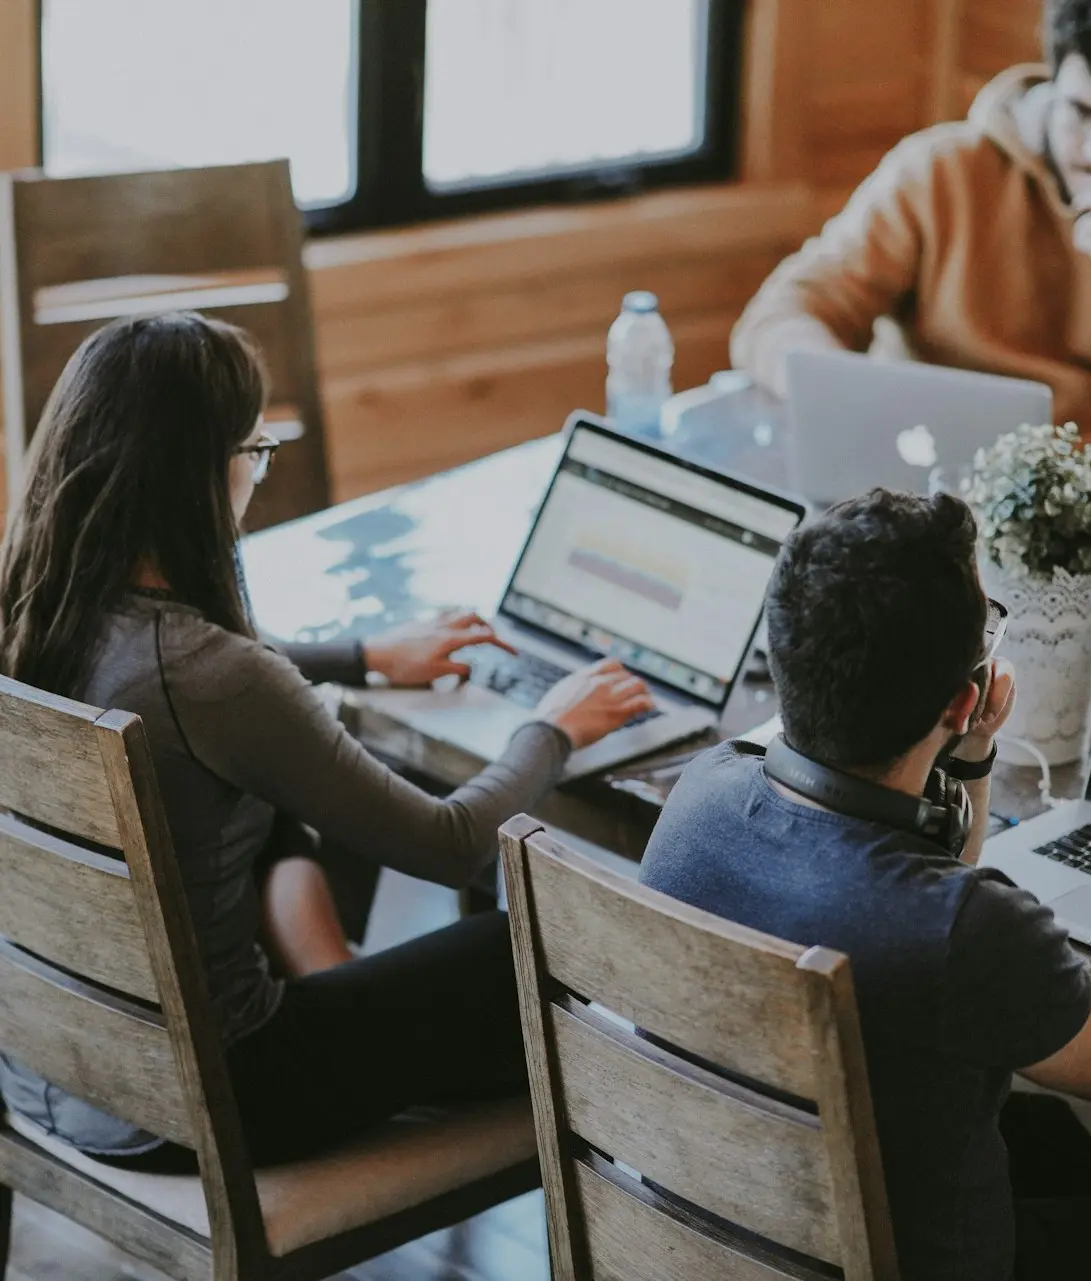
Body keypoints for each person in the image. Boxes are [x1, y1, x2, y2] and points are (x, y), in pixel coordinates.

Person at [0, 311, 654, 1171]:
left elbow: (202, 679)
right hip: (216, 1096)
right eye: (255, 450)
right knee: (510, 949)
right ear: (201, 473)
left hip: (48, 1064)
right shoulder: (215, 677)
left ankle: (325, 966)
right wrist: (553, 725)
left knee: (273, 792)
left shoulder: (35, 603)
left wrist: (364, 656)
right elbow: (450, 843)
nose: (258, 472)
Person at [641, 489, 1091, 1281]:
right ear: (962, 696)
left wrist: (969, 755)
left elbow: (926, 907)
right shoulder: (965, 929)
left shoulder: (699, 793)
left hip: (720, 1231)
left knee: (1051, 1141)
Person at [732, 0, 1091, 512]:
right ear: (1053, 79)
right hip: (916, 496)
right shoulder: (941, 172)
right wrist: (849, 403)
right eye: (1081, 113)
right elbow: (778, 318)